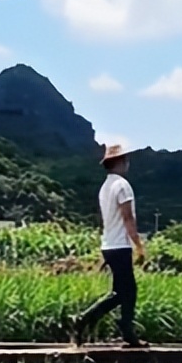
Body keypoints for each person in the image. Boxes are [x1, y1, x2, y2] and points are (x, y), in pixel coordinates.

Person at [69, 143, 147, 348]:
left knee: (120, 292)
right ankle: (95, 321)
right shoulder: (122, 185)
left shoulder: (105, 188)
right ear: (120, 162)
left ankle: (95, 321)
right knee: (128, 291)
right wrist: (139, 245)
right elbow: (128, 218)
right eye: (126, 160)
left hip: (109, 244)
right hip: (120, 245)